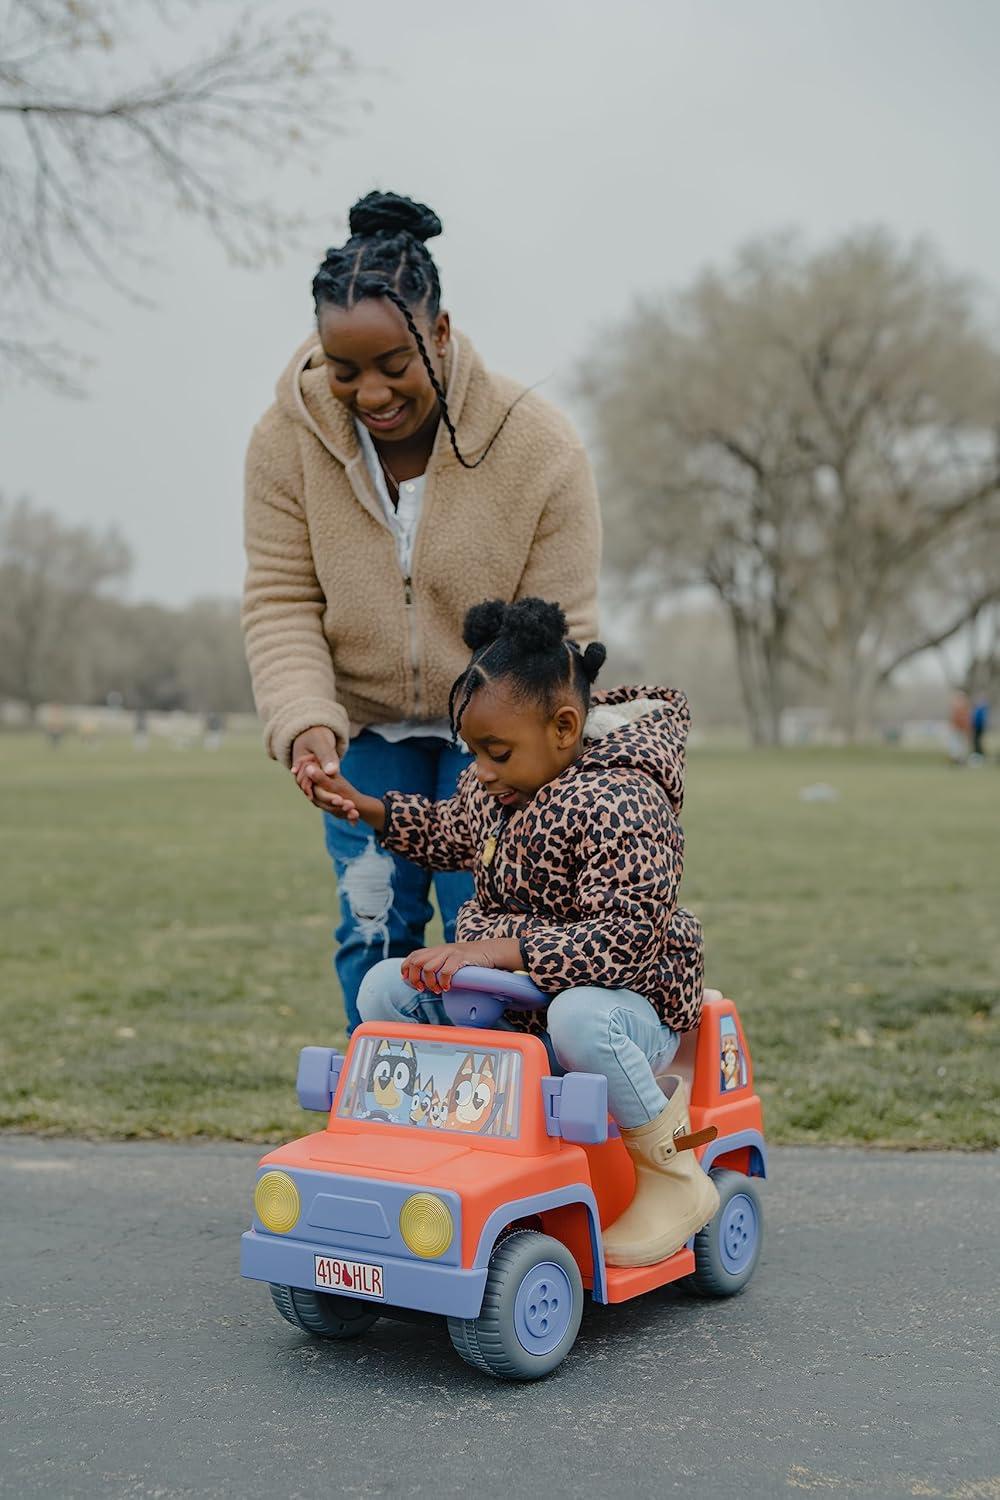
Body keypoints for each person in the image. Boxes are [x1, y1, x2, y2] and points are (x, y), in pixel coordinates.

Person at [242, 191, 601, 1034]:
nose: (369, 392)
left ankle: (501, 1130)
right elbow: (282, 597)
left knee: (489, 938)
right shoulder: (284, 443)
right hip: (363, 732)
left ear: (440, 333)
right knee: (374, 936)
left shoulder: (538, 447)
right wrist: (304, 723)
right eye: (345, 369)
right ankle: (381, 1124)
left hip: (495, 736)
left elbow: (564, 632)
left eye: (393, 363)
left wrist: (525, 760)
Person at [321, 597, 718, 1268]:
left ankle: (673, 1177)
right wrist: (374, 810)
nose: (478, 770)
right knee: (386, 987)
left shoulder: (624, 798)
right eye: (472, 753)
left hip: (628, 1011)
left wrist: (495, 950)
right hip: (516, 1006)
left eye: (495, 752)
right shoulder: (499, 788)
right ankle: (430, 1140)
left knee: (580, 1015)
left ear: (564, 727)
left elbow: (622, 941)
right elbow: (453, 831)